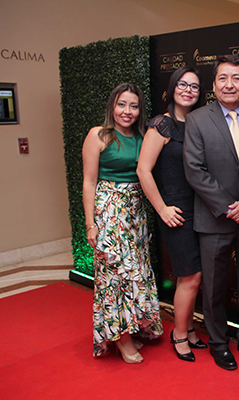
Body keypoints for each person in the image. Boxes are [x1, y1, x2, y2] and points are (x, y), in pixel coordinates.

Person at [183, 54, 239, 370]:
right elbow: (194, 170)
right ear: (214, 84)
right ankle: (218, 343)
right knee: (215, 286)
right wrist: (230, 207)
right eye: (223, 78)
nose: (229, 84)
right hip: (214, 217)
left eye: (236, 78)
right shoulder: (197, 119)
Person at [82, 82, 163, 364]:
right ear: (112, 106)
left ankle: (131, 326)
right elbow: (89, 181)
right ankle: (121, 338)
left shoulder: (143, 137)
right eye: (121, 104)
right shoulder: (98, 135)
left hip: (135, 214)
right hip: (109, 212)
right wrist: (90, 224)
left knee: (135, 273)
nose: (127, 111)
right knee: (115, 274)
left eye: (133, 106)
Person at [136, 67, 206, 363]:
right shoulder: (161, 125)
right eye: (183, 84)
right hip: (175, 211)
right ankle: (179, 335)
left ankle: (188, 327)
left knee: (191, 276)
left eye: (194, 86)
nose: (188, 90)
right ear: (172, 88)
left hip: (200, 208)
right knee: (190, 275)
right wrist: (162, 208)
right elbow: (143, 170)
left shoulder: (199, 124)